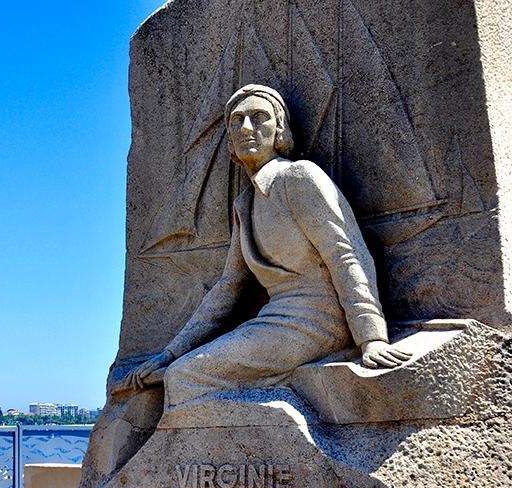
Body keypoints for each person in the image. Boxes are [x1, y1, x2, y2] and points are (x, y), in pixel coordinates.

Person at [123, 84, 410, 408]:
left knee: (185, 377)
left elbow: (345, 255)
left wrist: (371, 338)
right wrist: (170, 354)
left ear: (279, 129)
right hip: (276, 320)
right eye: (237, 121)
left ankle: (272, 427)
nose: (246, 128)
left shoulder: (299, 178)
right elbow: (228, 288)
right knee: (178, 373)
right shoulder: (244, 204)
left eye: (259, 117)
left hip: (320, 320)